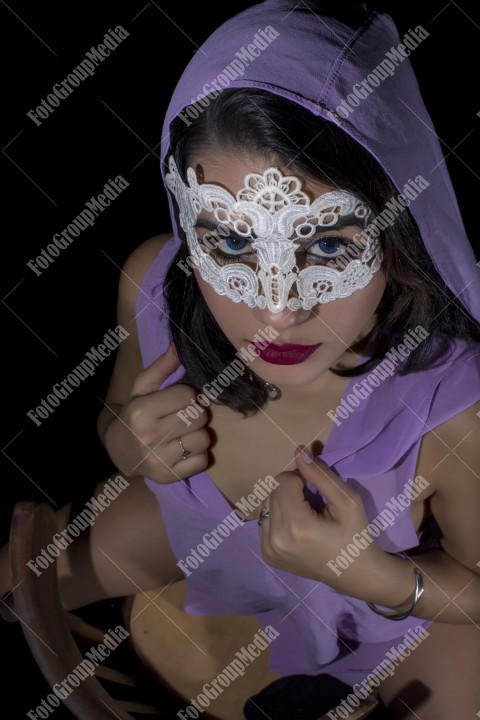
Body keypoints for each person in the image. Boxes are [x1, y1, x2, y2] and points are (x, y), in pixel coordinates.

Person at [2, 2, 479, 719]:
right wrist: (122, 442)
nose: (279, 309)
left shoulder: (456, 409)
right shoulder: (152, 287)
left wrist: (374, 575)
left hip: (393, 615)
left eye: (326, 247)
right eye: (230, 245)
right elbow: (118, 410)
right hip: (198, 526)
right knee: (21, 590)